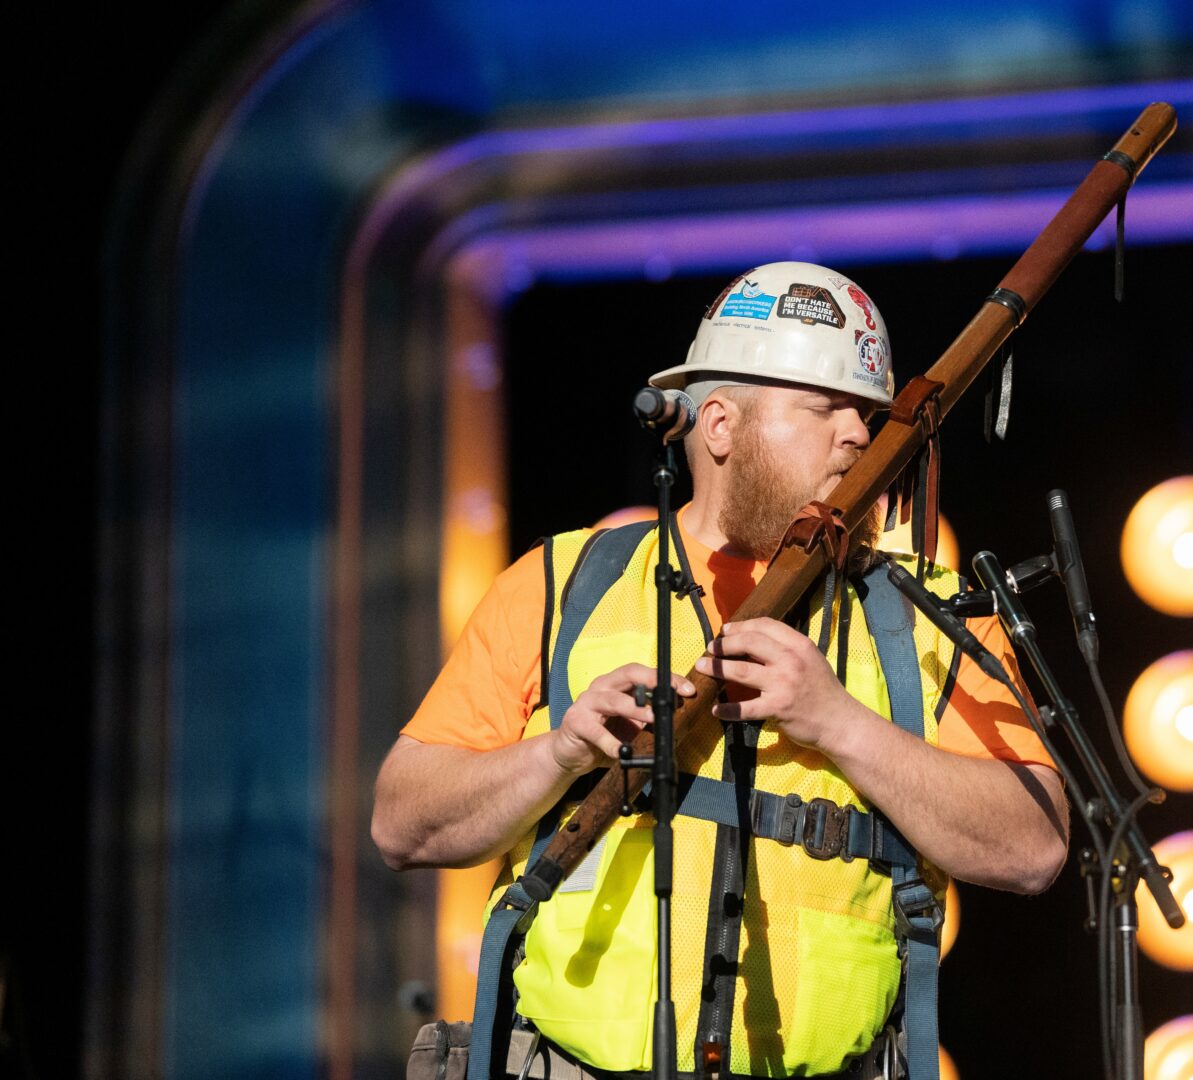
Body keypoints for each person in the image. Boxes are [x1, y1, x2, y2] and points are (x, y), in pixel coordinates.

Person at [372, 261, 1069, 1080]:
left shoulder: (932, 612)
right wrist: (559, 753)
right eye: (824, 406)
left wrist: (839, 723)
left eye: (869, 413)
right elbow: (401, 824)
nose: (859, 434)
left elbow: (1035, 847)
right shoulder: (561, 584)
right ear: (719, 425)